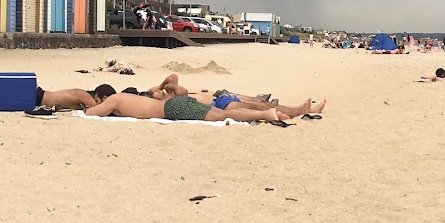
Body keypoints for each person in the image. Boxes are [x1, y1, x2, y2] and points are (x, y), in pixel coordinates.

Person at [144, 73, 324, 117]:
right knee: (261, 106)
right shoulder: (172, 99)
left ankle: (302, 110)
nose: (158, 90)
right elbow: (175, 84)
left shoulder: (167, 92)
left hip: (220, 99)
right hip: (220, 106)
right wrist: (160, 90)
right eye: (155, 92)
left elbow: (172, 77)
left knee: (262, 104)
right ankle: (300, 111)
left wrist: (158, 87)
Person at [83, 92, 290, 123]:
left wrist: (86, 107)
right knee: (222, 113)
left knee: (222, 116)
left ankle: (266, 113)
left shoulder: (114, 99)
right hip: (174, 104)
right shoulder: (126, 97)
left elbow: (92, 113)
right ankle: (266, 112)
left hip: (171, 110)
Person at [0, 83, 116, 111]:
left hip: (37, 95)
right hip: (35, 98)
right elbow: (97, 110)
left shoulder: (81, 94)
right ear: (101, 96)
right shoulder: (86, 97)